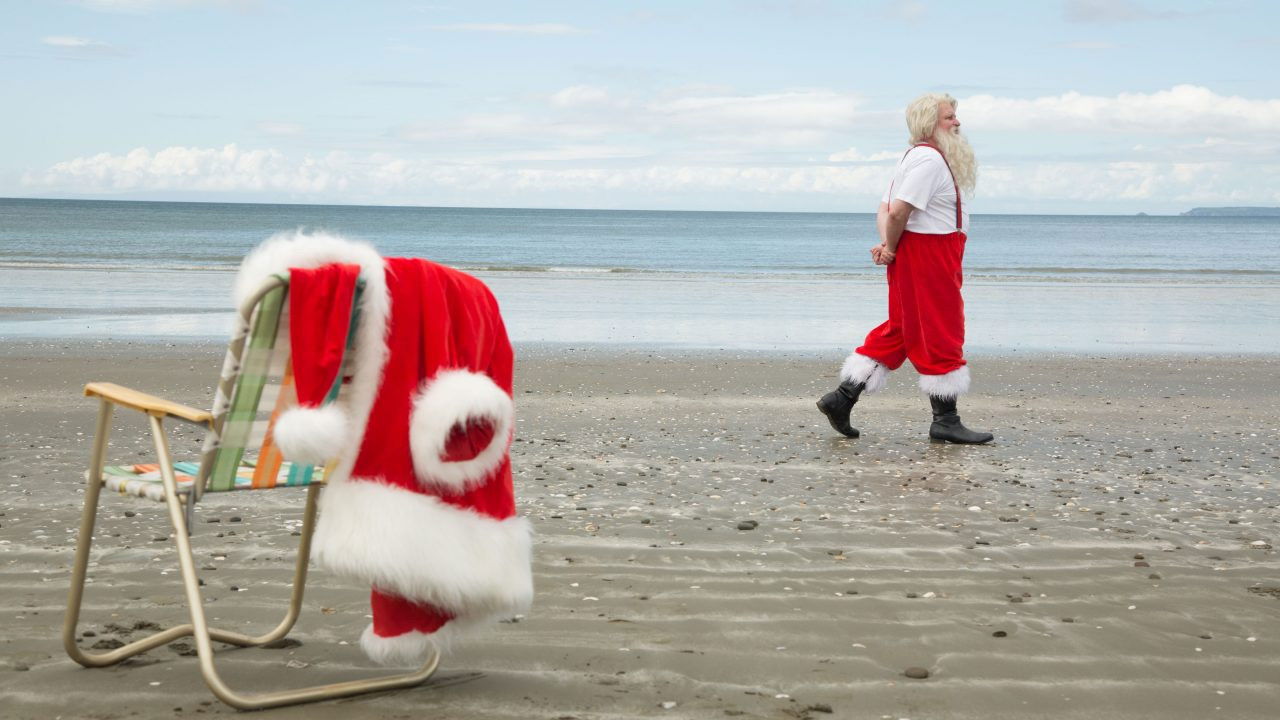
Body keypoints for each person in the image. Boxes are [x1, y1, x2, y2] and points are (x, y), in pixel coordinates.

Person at [816, 92, 993, 444]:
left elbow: (885, 210)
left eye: (955, 116)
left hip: (927, 251)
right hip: (928, 254)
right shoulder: (928, 160)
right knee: (941, 327)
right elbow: (896, 212)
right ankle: (946, 420)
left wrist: (888, 246)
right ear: (930, 124)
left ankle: (842, 398)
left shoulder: (915, 159)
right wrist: (892, 247)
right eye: (949, 117)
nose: (957, 122)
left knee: (904, 328)